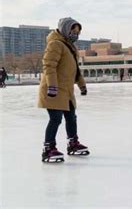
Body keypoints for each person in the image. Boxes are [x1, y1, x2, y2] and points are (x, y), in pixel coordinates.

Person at [38, 17, 89, 163]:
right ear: (66, 29)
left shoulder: (70, 47)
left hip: (66, 91)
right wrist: (52, 86)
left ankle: (73, 143)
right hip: (53, 89)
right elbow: (49, 66)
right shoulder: (55, 44)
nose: (76, 34)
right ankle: (48, 149)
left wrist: (82, 85)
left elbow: (75, 70)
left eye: (78, 31)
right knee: (55, 119)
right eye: (73, 30)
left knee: (71, 118)